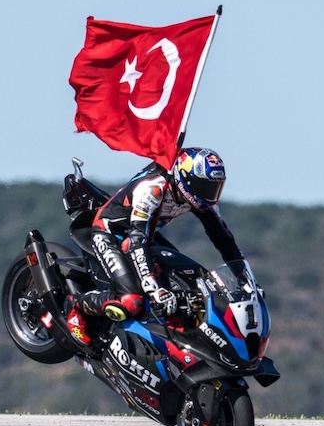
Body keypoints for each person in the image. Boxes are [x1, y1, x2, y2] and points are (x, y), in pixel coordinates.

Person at [64, 147, 244, 346]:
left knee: (192, 281)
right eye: (205, 186)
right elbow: (136, 241)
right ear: (185, 178)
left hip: (145, 236)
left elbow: (223, 239)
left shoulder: (201, 200)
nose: (209, 194)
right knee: (131, 301)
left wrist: (243, 277)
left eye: (215, 187)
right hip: (111, 233)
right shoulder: (153, 189)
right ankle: (76, 305)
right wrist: (153, 286)